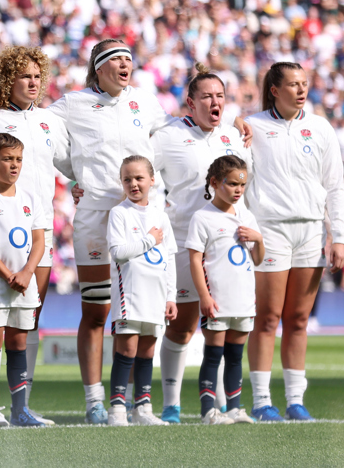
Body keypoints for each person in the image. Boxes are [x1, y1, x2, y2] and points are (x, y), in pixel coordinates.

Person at [43, 39, 170, 424]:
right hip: (97, 217)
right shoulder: (72, 103)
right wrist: (74, 175)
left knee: (144, 313)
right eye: (115, 59)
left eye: (128, 59)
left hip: (142, 218)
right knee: (97, 311)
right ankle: (95, 401)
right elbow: (39, 132)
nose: (124, 64)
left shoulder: (146, 102)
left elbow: (171, 141)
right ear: (98, 68)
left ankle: (139, 402)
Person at [0, 46, 69, 426]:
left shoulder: (50, 120)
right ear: (7, 80)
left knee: (27, 323)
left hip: (38, 232)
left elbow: (69, 162)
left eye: (38, 75)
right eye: (25, 75)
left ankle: (22, 406)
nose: (33, 82)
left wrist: (83, 183)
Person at [245, 62, 344, 422]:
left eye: (304, 83)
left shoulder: (320, 127)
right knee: (267, 318)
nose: (301, 90)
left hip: (311, 232)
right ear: (275, 90)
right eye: (293, 84)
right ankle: (260, 401)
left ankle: (295, 400)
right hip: (269, 231)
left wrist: (340, 237)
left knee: (299, 319)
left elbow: (335, 187)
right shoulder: (252, 127)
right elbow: (240, 178)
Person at [151, 64, 250, 423]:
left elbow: (244, 189)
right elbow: (143, 176)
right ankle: (171, 405)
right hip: (183, 243)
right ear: (189, 103)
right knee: (182, 325)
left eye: (220, 96)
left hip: (226, 247)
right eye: (206, 96)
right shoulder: (167, 136)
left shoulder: (233, 136)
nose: (215, 102)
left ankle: (223, 406)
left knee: (222, 325)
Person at [0, 134, 50, 428]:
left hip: (25, 282)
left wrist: (27, 272)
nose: (14, 165)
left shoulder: (31, 199)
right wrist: (6, 274)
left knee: (18, 342)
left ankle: (19, 409)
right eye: (6, 159)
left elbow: (39, 241)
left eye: (18, 159)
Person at [187, 155, 262, 425]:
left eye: (242, 184)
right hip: (217, 299)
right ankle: (208, 411)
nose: (238, 190)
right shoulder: (202, 217)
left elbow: (257, 258)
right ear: (215, 183)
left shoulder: (247, 216)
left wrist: (258, 239)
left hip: (243, 299)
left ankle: (234, 408)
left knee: (235, 356)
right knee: (214, 353)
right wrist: (204, 297)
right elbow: (195, 259)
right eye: (232, 184)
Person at [105, 155, 176, 426]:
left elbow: (168, 258)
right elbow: (119, 253)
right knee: (127, 350)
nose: (133, 184)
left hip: (156, 294)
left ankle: (143, 409)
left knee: (147, 351)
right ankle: (117, 410)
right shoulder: (119, 213)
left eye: (139, 178)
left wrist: (171, 296)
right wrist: (149, 240)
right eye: (127, 179)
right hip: (130, 294)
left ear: (152, 180)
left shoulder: (161, 217)